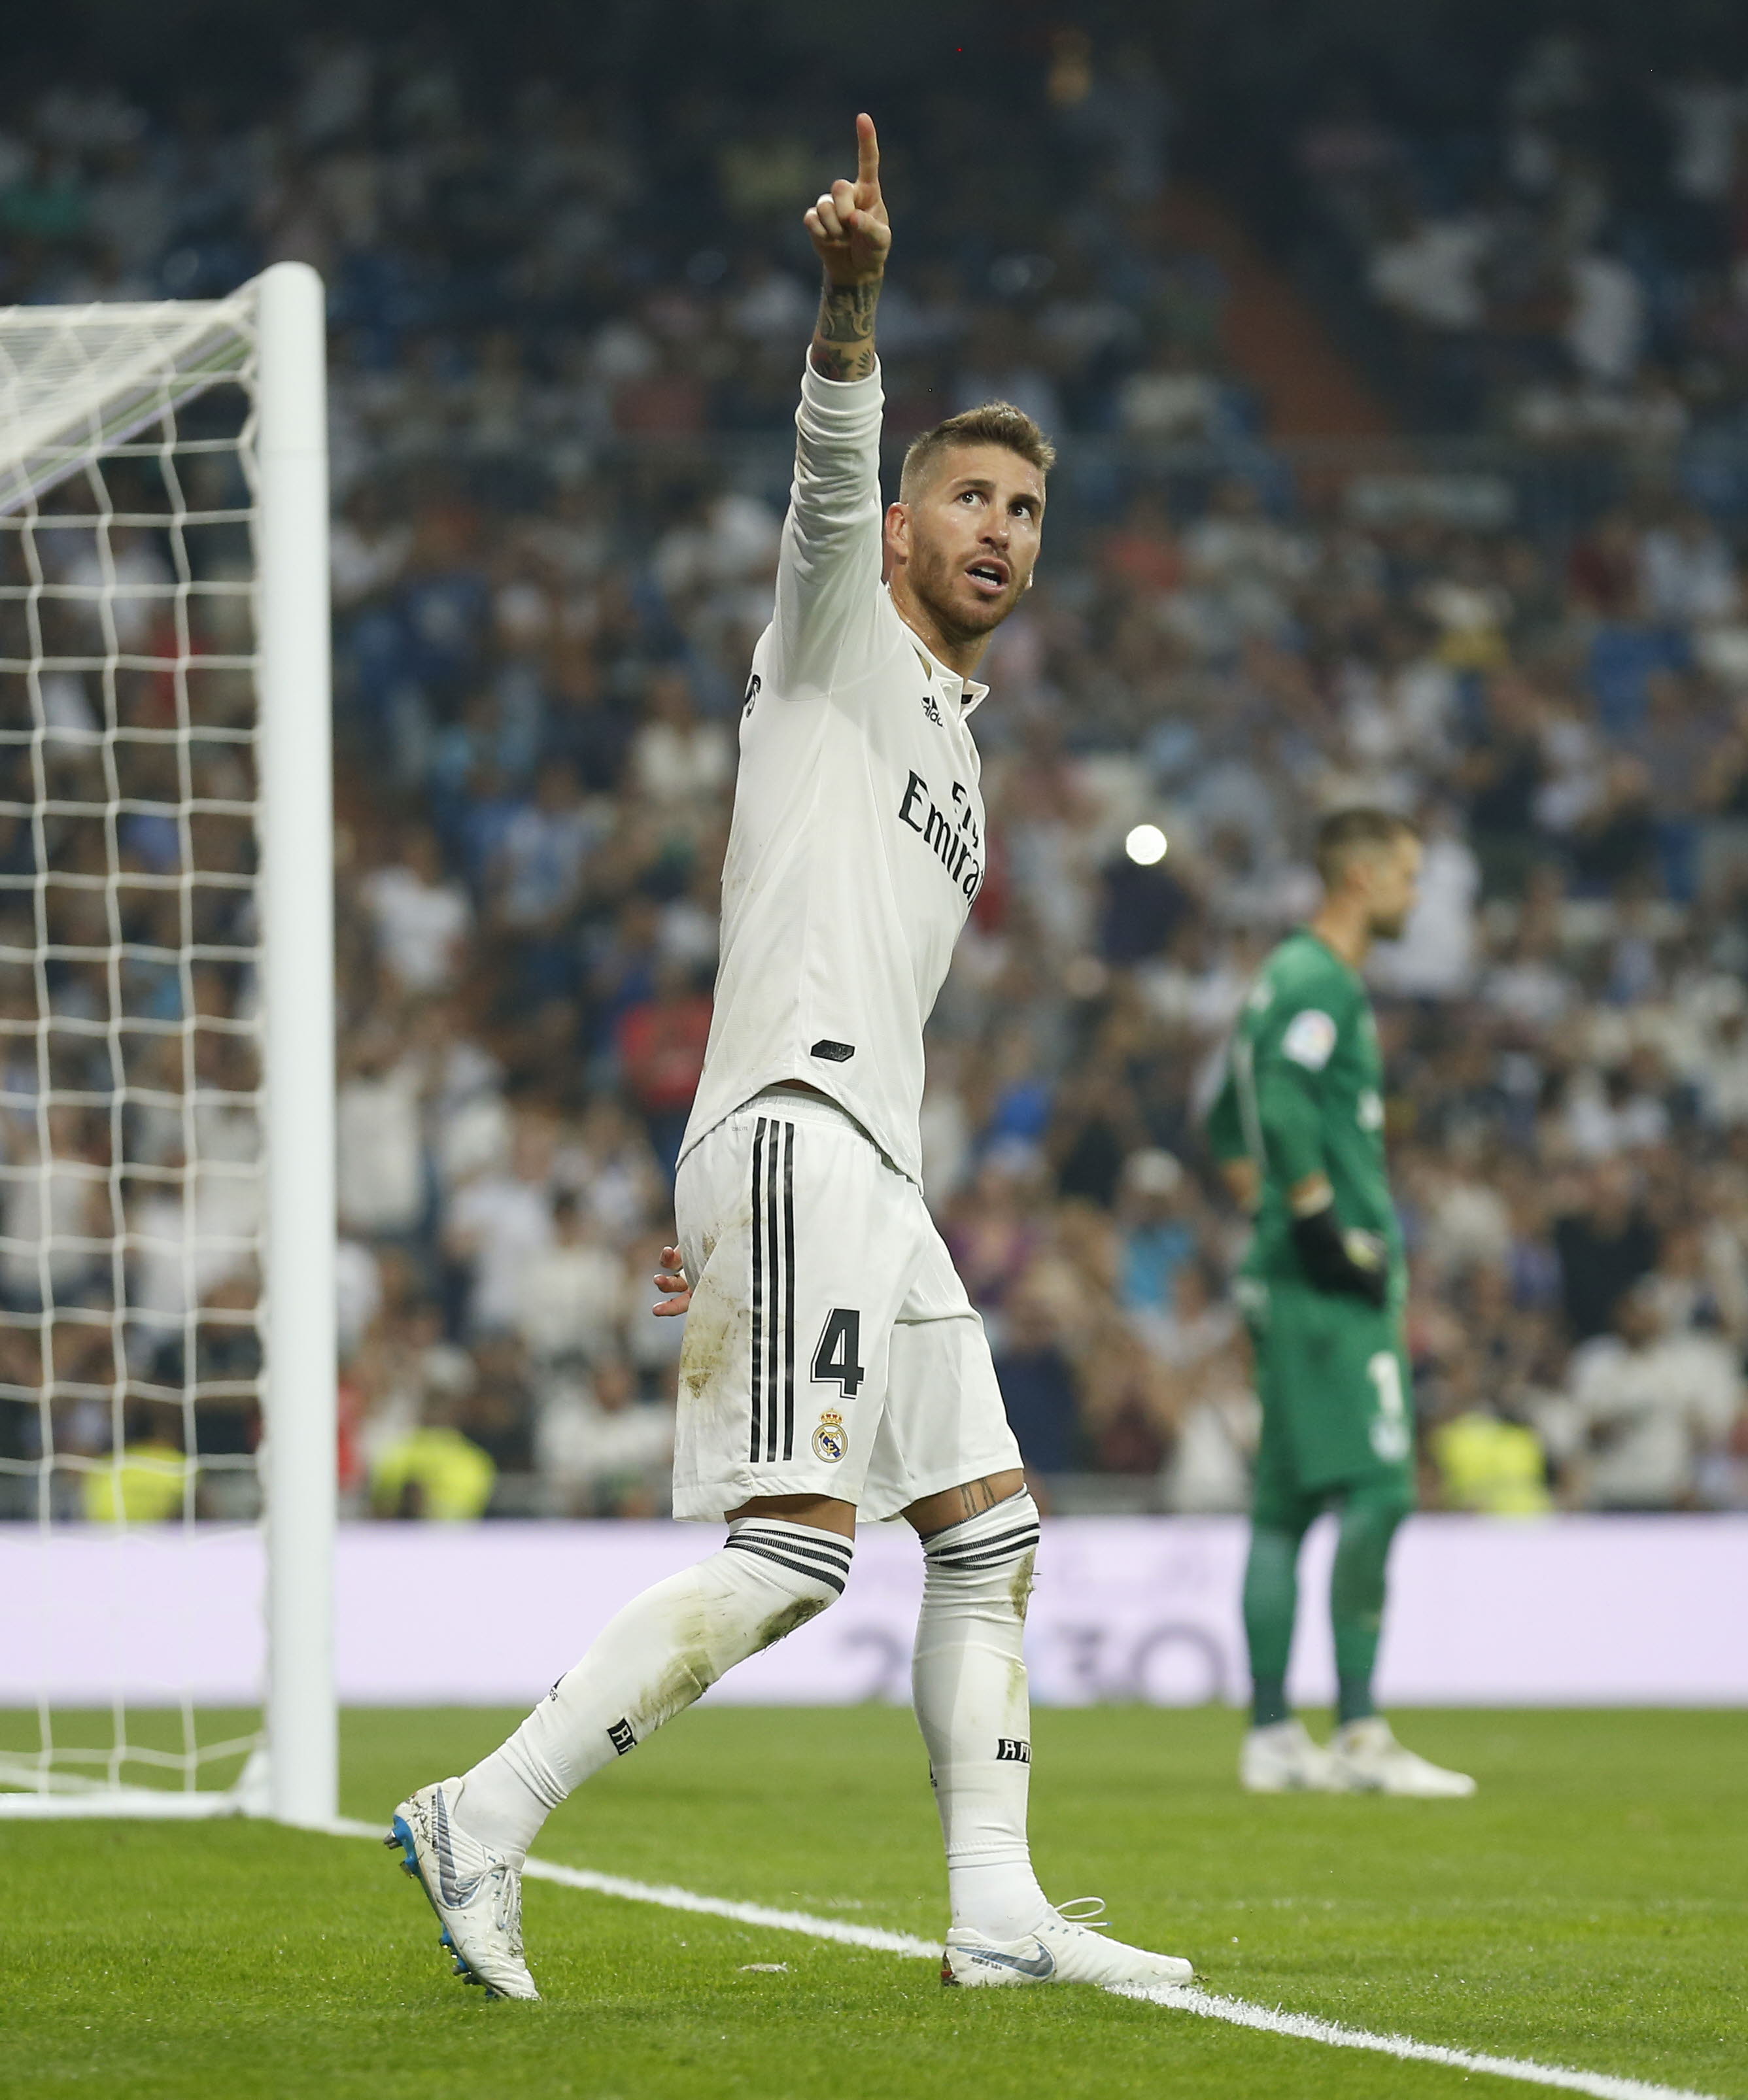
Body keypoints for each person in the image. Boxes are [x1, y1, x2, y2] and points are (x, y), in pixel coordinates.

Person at [388, 114, 1192, 2001]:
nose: (1000, 531)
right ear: (909, 525)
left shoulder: (959, 746)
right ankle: (481, 1813)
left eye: (1028, 511)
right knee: (798, 1554)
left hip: (879, 1174)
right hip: (791, 1130)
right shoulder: (835, 625)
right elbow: (833, 470)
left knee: (990, 1537)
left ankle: (996, 1907)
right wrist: (852, 308)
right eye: (973, 499)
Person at [1207, 808, 1476, 1799]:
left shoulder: (1279, 978)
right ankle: (1358, 1731)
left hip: (1282, 1276)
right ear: (1359, 878)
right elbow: (1275, 1101)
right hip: (1329, 1280)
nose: (1414, 895)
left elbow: (1219, 1116)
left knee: (1281, 1508)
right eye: (1406, 876)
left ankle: (1273, 1734)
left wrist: (1268, 1214)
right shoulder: (1319, 979)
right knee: (1380, 1491)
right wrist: (1318, 1223)